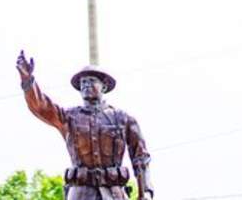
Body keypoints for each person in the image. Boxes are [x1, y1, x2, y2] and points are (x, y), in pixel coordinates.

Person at [16, 50, 154, 200]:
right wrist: (28, 81)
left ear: (104, 86)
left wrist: (145, 191)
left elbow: (140, 158)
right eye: (83, 83)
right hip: (81, 194)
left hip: (114, 194)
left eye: (91, 81)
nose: (86, 85)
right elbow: (41, 106)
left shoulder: (123, 119)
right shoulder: (69, 117)